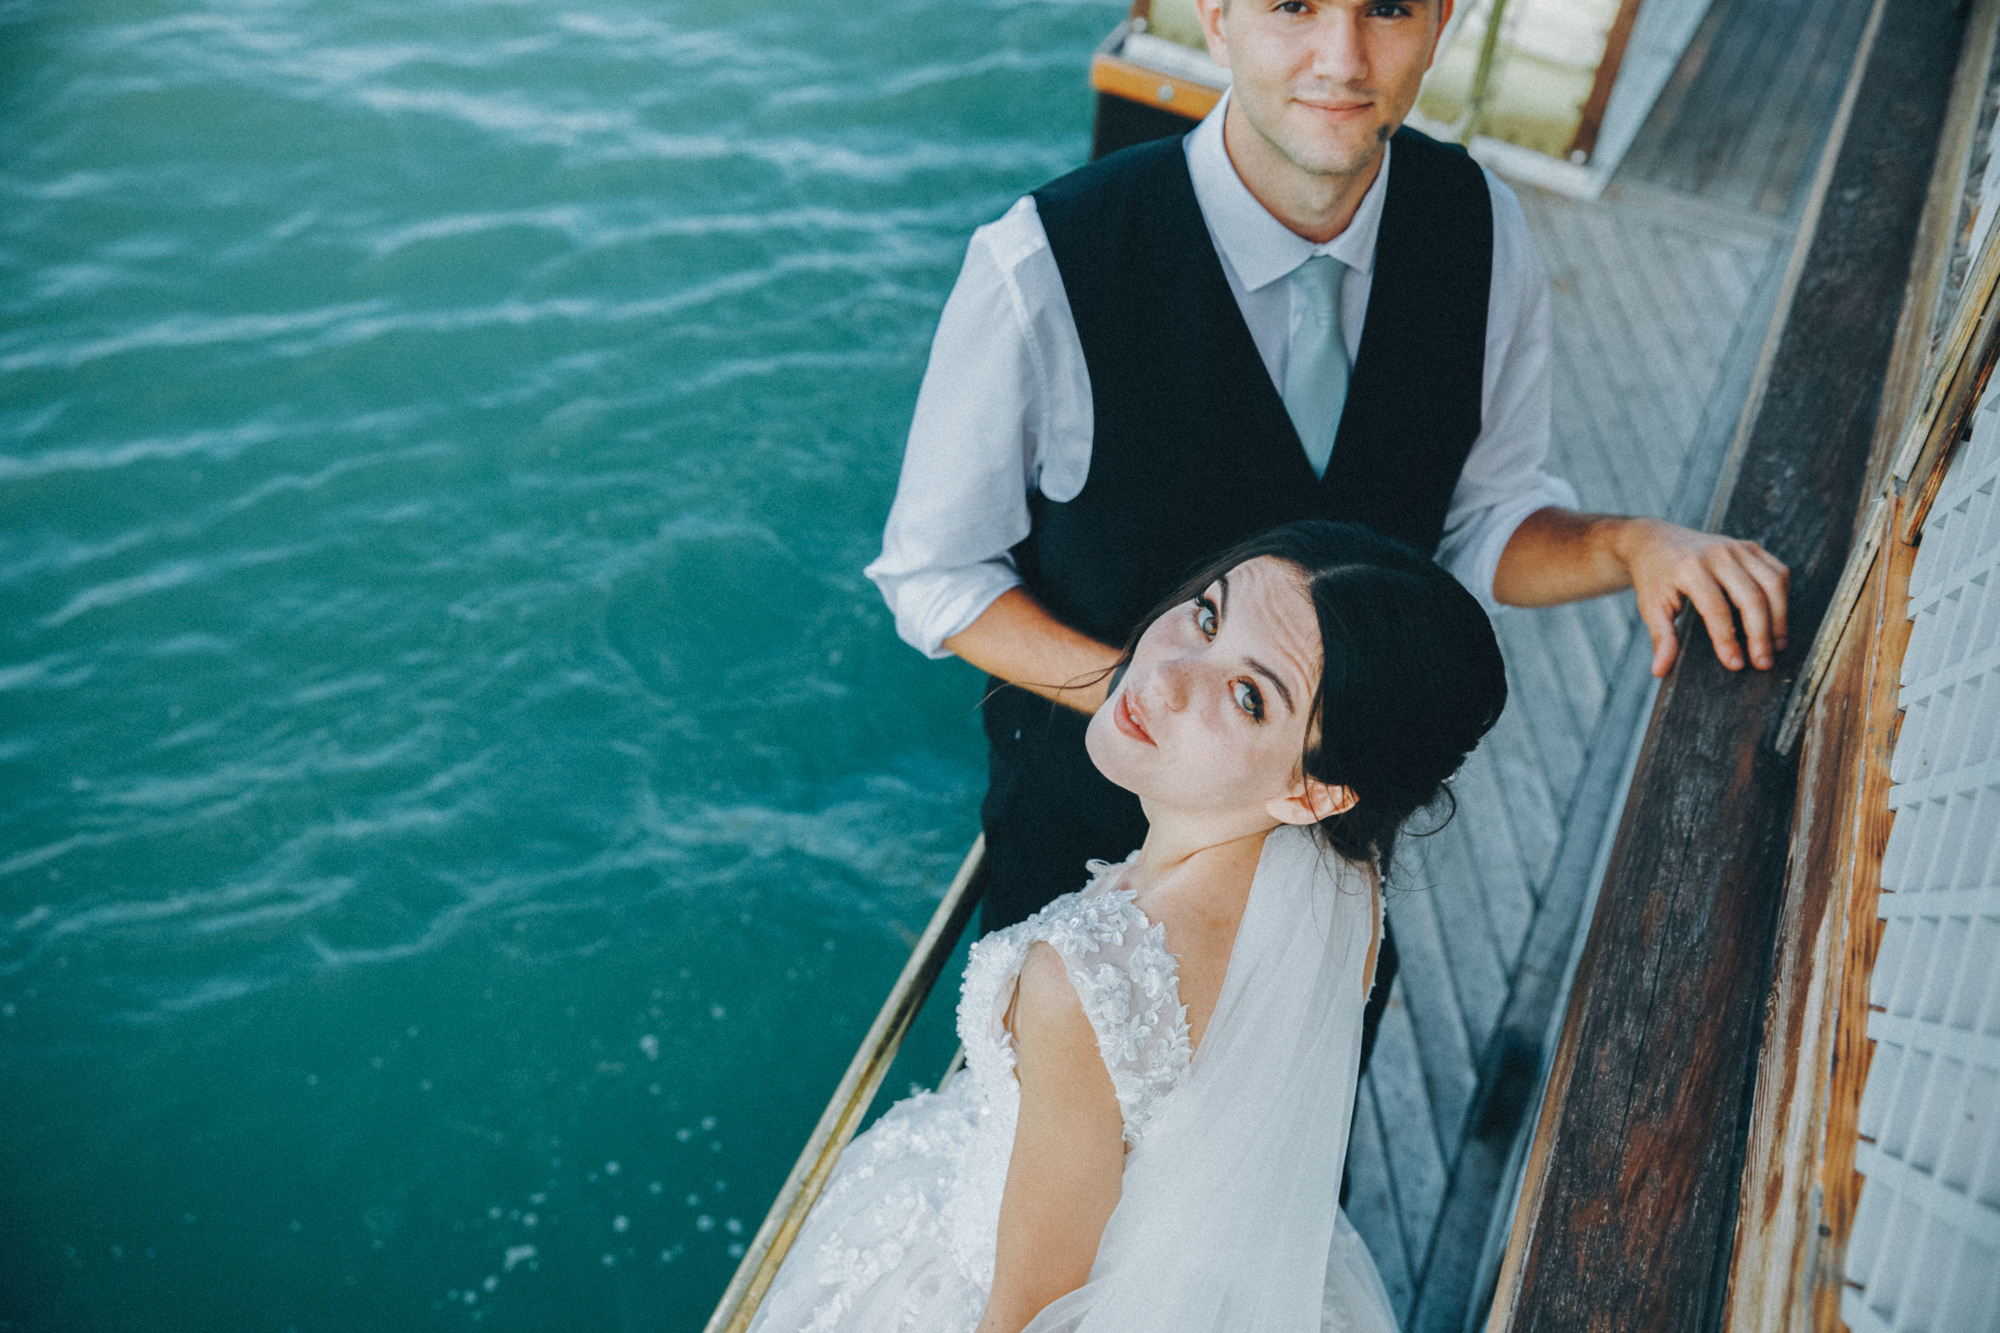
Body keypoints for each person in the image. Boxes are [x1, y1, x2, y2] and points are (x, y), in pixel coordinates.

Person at [863, 0, 1792, 958]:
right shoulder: (1042, 265)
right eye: (1294, 5)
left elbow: (1478, 521)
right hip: (1085, 871)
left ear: (1441, 25)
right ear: (1217, 18)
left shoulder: (1482, 229)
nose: (1342, 57)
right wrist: (1146, 701)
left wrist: (1631, 544)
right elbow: (937, 577)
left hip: (1332, 893)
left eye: (1386, 8)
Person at [751, 519, 1509, 1333]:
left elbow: (1028, 1313)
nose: (1170, 673)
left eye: (1250, 696)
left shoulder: (1082, 980)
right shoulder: (1341, 880)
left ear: (1316, 792)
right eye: (1208, 615)